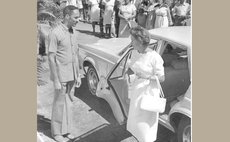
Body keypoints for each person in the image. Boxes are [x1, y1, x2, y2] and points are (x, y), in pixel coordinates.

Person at [48, 5, 82, 142]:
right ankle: (56, 133)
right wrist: (55, 79)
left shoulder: (73, 32)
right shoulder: (55, 33)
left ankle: (66, 130)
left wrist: (78, 74)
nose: (78, 20)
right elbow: (51, 57)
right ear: (67, 16)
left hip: (72, 74)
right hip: (61, 75)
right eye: (76, 17)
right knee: (59, 104)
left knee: (69, 103)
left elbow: (76, 54)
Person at [126, 25, 165, 142]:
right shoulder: (134, 52)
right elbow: (132, 69)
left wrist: (147, 76)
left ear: (139, 41)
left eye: (132, 40)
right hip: (137, 90)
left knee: (146, 124)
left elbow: (162, 78)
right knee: (135, 120)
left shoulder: (154, 57)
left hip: (149, 93)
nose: (131, 42)